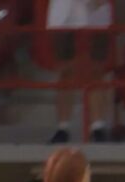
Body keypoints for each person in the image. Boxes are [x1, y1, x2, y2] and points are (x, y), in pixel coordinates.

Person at [47, 0, 113, 143]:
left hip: (96, 16)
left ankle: (98, 126)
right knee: (65, 71)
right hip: (64, 16)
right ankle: (62, 128)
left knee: (96, 71)